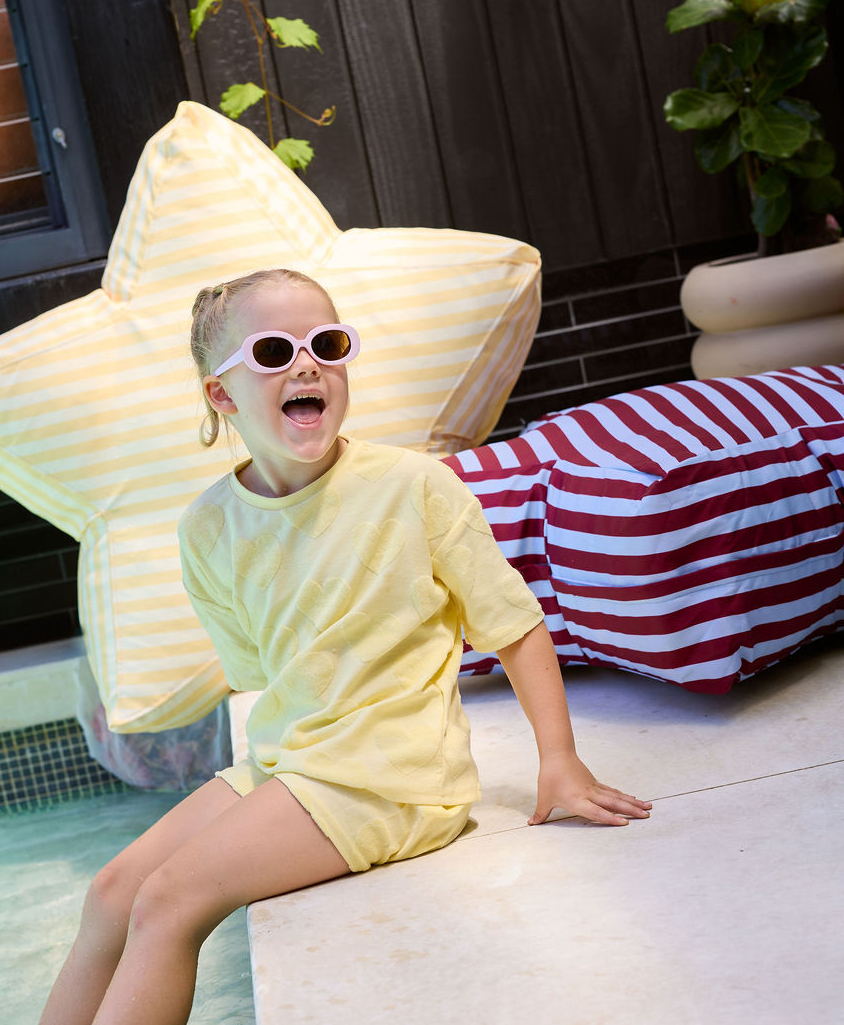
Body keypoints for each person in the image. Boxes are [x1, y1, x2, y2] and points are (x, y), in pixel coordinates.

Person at [38, 268, 651, 1025]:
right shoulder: (207, 529)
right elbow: (259, 673)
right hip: (292, 761)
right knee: (112, 893)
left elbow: (514, 624)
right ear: (221, 395)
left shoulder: (412, 486)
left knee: (170, 900)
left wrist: (557, 758)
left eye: (325, 344)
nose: (307, 364)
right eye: (273, 351)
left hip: (390, 776)